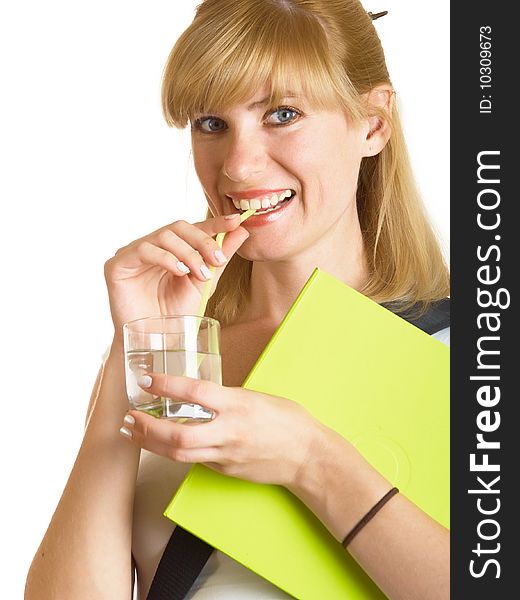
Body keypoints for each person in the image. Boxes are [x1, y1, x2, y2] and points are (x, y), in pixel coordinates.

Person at [25, 1, 450, 599]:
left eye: (282, 114)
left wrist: (310, 459)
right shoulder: (173, 353)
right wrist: (135, 346)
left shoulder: (466, 351)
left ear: (374, 124)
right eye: (210, 123)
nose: (239, 164)